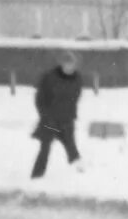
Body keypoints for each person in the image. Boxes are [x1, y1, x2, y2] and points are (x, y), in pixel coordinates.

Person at [30, 49, 86, 180]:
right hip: (50, 121)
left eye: (72, 65)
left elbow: (75, 98)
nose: (69, 67)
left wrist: (71, 114)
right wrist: (45, 115)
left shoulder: (77, 79)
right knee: (45, 148)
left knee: (71, 145)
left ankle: (80, 175)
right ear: (62, 64)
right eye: (67, 64)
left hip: (66, 120)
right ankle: (37, 176)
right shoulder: (50, 77)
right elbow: (40, 99)